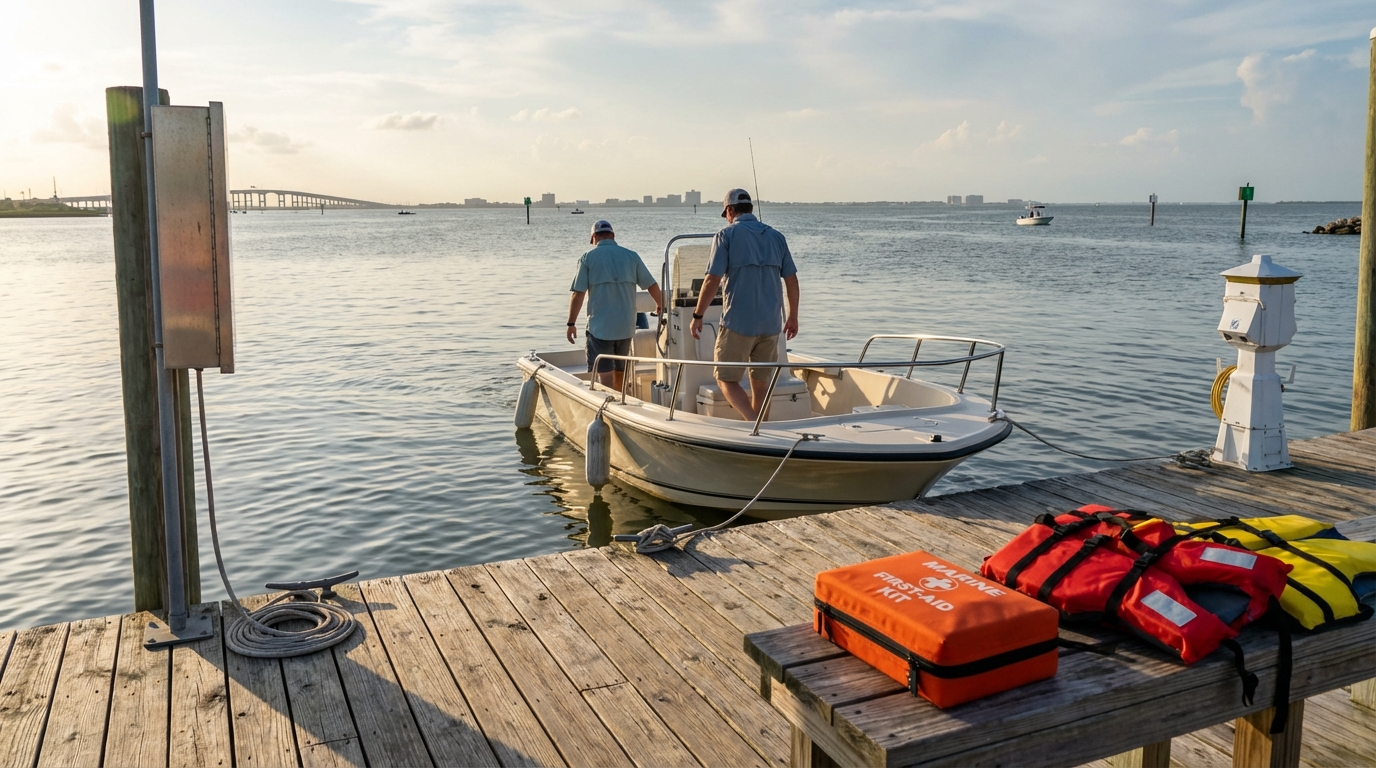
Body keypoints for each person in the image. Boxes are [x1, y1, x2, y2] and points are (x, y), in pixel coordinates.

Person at [689, 189, 799, 420]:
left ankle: (752, 422)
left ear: (729, 211)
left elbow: (712, 279)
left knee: (725, 379)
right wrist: (793, 317)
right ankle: (762, 429)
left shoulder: (725, 236)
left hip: (738, 322)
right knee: (761, 381)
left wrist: (698, 315)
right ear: (750, 208)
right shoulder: (777, 237)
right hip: (771, 324)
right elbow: (791, 279)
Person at [567, 219, 663, 391]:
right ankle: (621, 401)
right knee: (620, 371)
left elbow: (578, 294)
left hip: (600, 328)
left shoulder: (587, 258)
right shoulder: (631, 256)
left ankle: (608, 408)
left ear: (594, 238)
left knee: (605, 377)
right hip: (625, 327)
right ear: (613, 235)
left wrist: (571, 323)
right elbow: (652, 285)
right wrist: (660, 305)